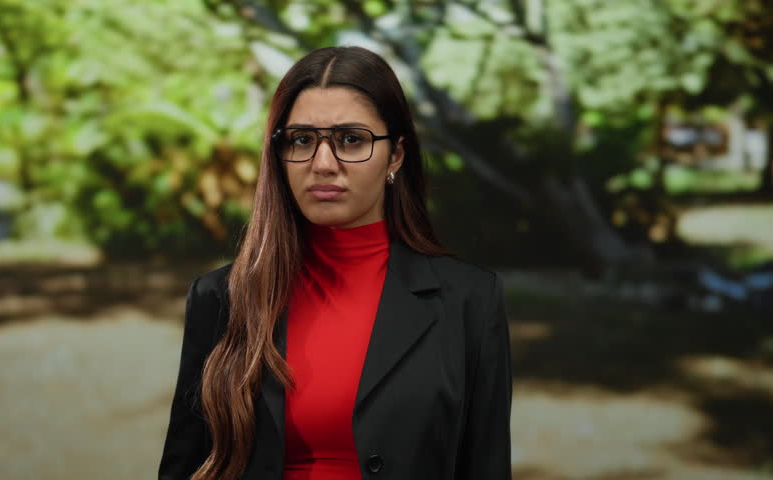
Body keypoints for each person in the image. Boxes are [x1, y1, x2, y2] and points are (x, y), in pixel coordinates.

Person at [158, 46, 512, 480]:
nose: (323, 164)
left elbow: (486, 465)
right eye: (302, 140)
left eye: (351, 140)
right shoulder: (222, 297)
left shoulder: (469, 300)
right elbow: (184, 465)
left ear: (395, 156)